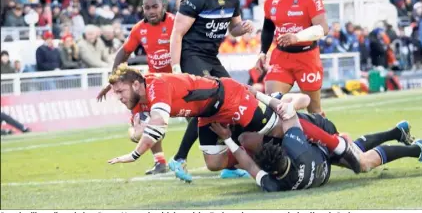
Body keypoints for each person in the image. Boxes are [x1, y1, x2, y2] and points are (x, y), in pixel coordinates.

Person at [106, 64, 361, 181]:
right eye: (115, 94)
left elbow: (158, 125)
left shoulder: (156, 87)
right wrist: (135, 133)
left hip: (229, 98)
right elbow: (138, 128)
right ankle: (256, 152)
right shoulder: (138, 97)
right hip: (208, 114)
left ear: (137, 84)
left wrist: (136, 153)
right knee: (214, 162)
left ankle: (337, 145)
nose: (118, 98)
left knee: (280, 127)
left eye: (120, 92)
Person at [210, 93, 422, 192]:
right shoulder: (286, 143)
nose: (243, 141)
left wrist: (339, 142)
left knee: (362, 162)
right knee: (355, 154)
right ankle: (397, 133)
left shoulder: (286, 137)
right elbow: (248, 162)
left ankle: (417, 148)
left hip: (321, 133)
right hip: (315, 151)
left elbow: (304, 100)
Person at [169, 0, 255, 180]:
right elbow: (176, 34)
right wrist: (176, 68)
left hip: (211, 57)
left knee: (235, 98)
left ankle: (230, 164)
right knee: (208, 103)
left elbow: (233, 30)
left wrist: (243, 28)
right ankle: (178, 158)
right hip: (191, 55)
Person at [96, 0, 175, 175]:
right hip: (154, 83)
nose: (151, 11)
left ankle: (222, 157)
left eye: (155, 6)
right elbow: (123, 53)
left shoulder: (174, 23)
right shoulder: (140, 28)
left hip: (177, 80)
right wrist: (112, 81)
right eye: (147, 8)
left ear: (162, 5)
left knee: (197, 119)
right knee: (141, 128)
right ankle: (160, 162)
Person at [256, 0, 329, 115]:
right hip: (281, 58)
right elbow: (268, 28)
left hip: (307, 58)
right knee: (272, 106)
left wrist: (297, 37)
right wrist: (262, 52)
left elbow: (323, 29)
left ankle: (327, 138)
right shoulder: (270, 0)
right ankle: (279, 138)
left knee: (314, 111)